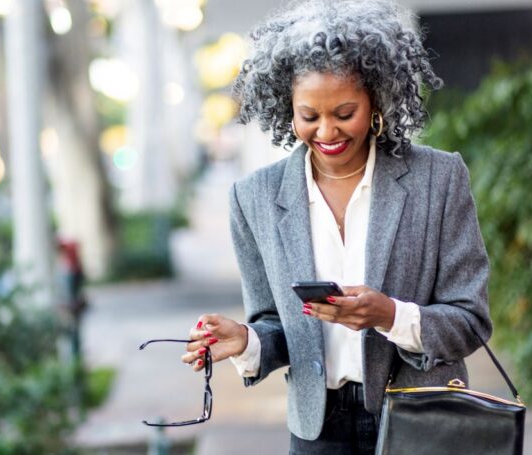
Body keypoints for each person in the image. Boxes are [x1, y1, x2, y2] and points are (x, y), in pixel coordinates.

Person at [180, 0, 493, 453]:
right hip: (317, 432)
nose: (327, 131)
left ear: (377, 100)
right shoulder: (254, 198)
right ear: (288, 109)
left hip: (423, 421)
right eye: (309, 116)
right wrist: (247, 341)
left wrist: (389, 315)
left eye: (344, 113)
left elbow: (472, 320)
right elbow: (275, 324)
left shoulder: (438, 180)